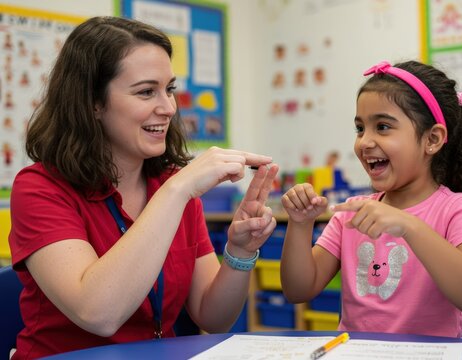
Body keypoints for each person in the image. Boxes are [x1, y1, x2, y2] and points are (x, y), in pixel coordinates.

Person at [8, 16, 279, 359]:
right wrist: (177, 190)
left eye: (169, 89)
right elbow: (98, 313)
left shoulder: (172, 185)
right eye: (146, 91)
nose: (168, 108)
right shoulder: (39, 188)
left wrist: (240, 252)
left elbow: (215, 318)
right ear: (93, 102)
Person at [280, 60, 462, 338]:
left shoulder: (458, 209)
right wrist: (299, 225)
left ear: (432, 139)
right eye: (360, 128)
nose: (364, 142)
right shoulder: (352, 213)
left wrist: (409, 226)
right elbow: (298, 290)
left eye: (382, 127)